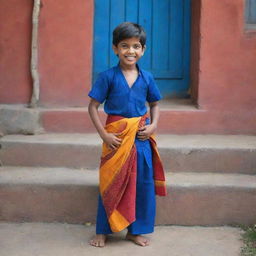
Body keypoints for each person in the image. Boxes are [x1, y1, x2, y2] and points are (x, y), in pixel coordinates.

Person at [88, 22, 166, 248]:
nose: (130, 51)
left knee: (142, 184)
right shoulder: (107, 77)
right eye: (124, 46)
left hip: (141, 139)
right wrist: (104, 135)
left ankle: (136, 230)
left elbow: (155, 104)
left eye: (136, 46)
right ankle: (103, 230)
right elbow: (93, 107)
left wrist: (154, 126)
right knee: (110, 182)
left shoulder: (147, 77)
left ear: (143, 50)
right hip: (116, 139)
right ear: (115, 49)